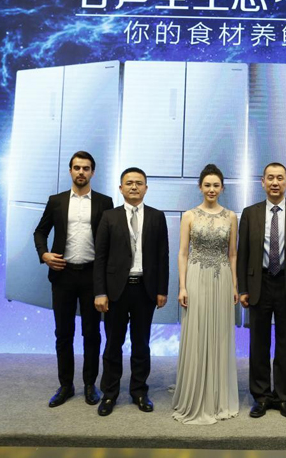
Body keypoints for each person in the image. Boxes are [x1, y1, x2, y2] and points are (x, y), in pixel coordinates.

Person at [33, 151, 113, 408]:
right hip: (63, 275)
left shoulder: (104, 202)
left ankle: (90, 385)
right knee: (63, 333)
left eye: (86, 168)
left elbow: (110, 239)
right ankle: (66, 385)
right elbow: (40, 231)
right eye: (77, 167)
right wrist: (44, 254)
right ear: (70, 171)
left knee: (92, 333)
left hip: (92, 275)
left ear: (92, 172)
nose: (81, 172)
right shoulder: (56, 201)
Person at [237, 162, 286, 419]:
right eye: (270, 178)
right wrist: (243, 288)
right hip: (259, 284)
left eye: (280, 178)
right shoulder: (250, 213)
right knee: (258, 344)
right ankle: (261, 396)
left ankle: (282, 397)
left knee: (285, 344)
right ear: (262, 182)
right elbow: (243, 254)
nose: (275, 182)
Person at [93, 167, 169, 416]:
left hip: (145, 290)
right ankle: (109, 394)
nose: (134, 187)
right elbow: (100, 258)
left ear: (146, 188)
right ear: (120, 188)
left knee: (141, 344)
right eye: (129, 183)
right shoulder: (109, 216)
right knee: (113, 345)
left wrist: (162, 290)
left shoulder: (157, 217)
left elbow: (163, 256)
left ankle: (139, 392)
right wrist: (100, 292)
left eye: (138, 183)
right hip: (116, 291)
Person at [172, 164, 240, 424]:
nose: (212, 189)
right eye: (207, 185)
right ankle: (195, 392)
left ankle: (217, 395)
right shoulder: (189, 215)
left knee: (220, 334)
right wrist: (182, 286)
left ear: (222, 188)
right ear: (200, 187)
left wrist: (234, 285)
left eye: (216, 185)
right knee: (197, 331)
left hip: (222, 278)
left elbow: (232, 254)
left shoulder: (231, 216)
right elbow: (183, 253)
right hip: (196, 277)